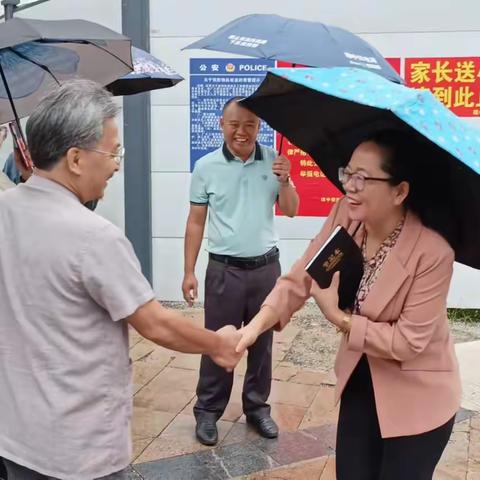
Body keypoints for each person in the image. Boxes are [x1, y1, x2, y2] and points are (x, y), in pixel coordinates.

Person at [0, 79, 243, 480]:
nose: (116, 164)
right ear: (75, 159)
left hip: (15, 434)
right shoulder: (95, 236)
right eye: (113, 152)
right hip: (78, 448)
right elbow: (157, 324)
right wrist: (219, 345)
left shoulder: (6, 210)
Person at [236, 130, 461, 480]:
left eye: (363, 178)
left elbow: (407, 342)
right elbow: (301, 278)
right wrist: (254, 326)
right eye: (348, 174)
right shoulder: (347, 215)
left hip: (419, 397)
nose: (350, 187)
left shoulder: (433, 253)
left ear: (399, 191)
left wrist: (337, 317)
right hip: (362, 378)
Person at [182, 97, 300, 446]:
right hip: (223, 270)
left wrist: (286, 180)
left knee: (262, 344)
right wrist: (188, 271)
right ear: (221, 125)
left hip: (266, 269)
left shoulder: (274, 162)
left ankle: (257, 408)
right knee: (218, 341)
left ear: (259, 127)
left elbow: (291, 210)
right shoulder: (206, 167)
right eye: (234, 124)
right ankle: (208, 411)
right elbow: (195, 221)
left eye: (249, 124)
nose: (241, 131)